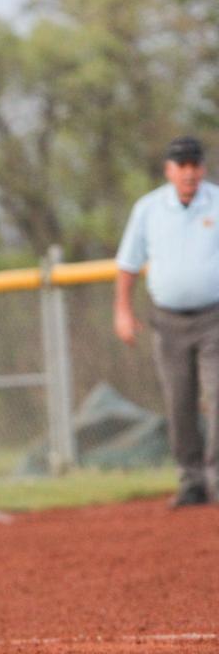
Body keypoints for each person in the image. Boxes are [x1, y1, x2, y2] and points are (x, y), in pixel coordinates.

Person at [115, 134, 219, 508]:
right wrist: (123, 311)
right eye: (182, 165)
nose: (189, 172)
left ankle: (217, 479)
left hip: (214, 319)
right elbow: (127, 264)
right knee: (180, 402)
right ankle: (191, 481)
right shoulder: (149, 209)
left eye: (195, 164)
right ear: (169, 170)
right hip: (168, 322)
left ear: (203, 168)